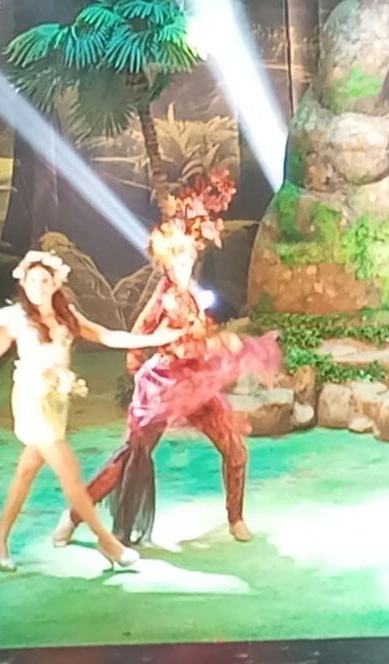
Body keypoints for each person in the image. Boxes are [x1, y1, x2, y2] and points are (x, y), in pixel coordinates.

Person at [0, 251, 173, 572]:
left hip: (57, 404)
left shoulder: (66, 317)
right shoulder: (16, 320)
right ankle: (107, 542)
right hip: (32, 402)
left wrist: (155, 338)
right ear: (23, 284)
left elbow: (107, 336)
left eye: (44, 281)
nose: (38, 287)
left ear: (56, 283)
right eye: (32, 281)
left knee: (26, 471)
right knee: (70, 474)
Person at [61, 169, 283, 547]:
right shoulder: (165, 298)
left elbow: (193, 339)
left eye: (188, 256)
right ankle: (73, 517)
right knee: (131, 458)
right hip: (163, 389)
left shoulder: (191, 295)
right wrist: (141, 376)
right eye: (178, 258)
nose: (185, 263)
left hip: (196, 385)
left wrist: (214, 344)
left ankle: (236, 518)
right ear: (166, 263)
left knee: (235, 449)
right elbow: (142, 337)